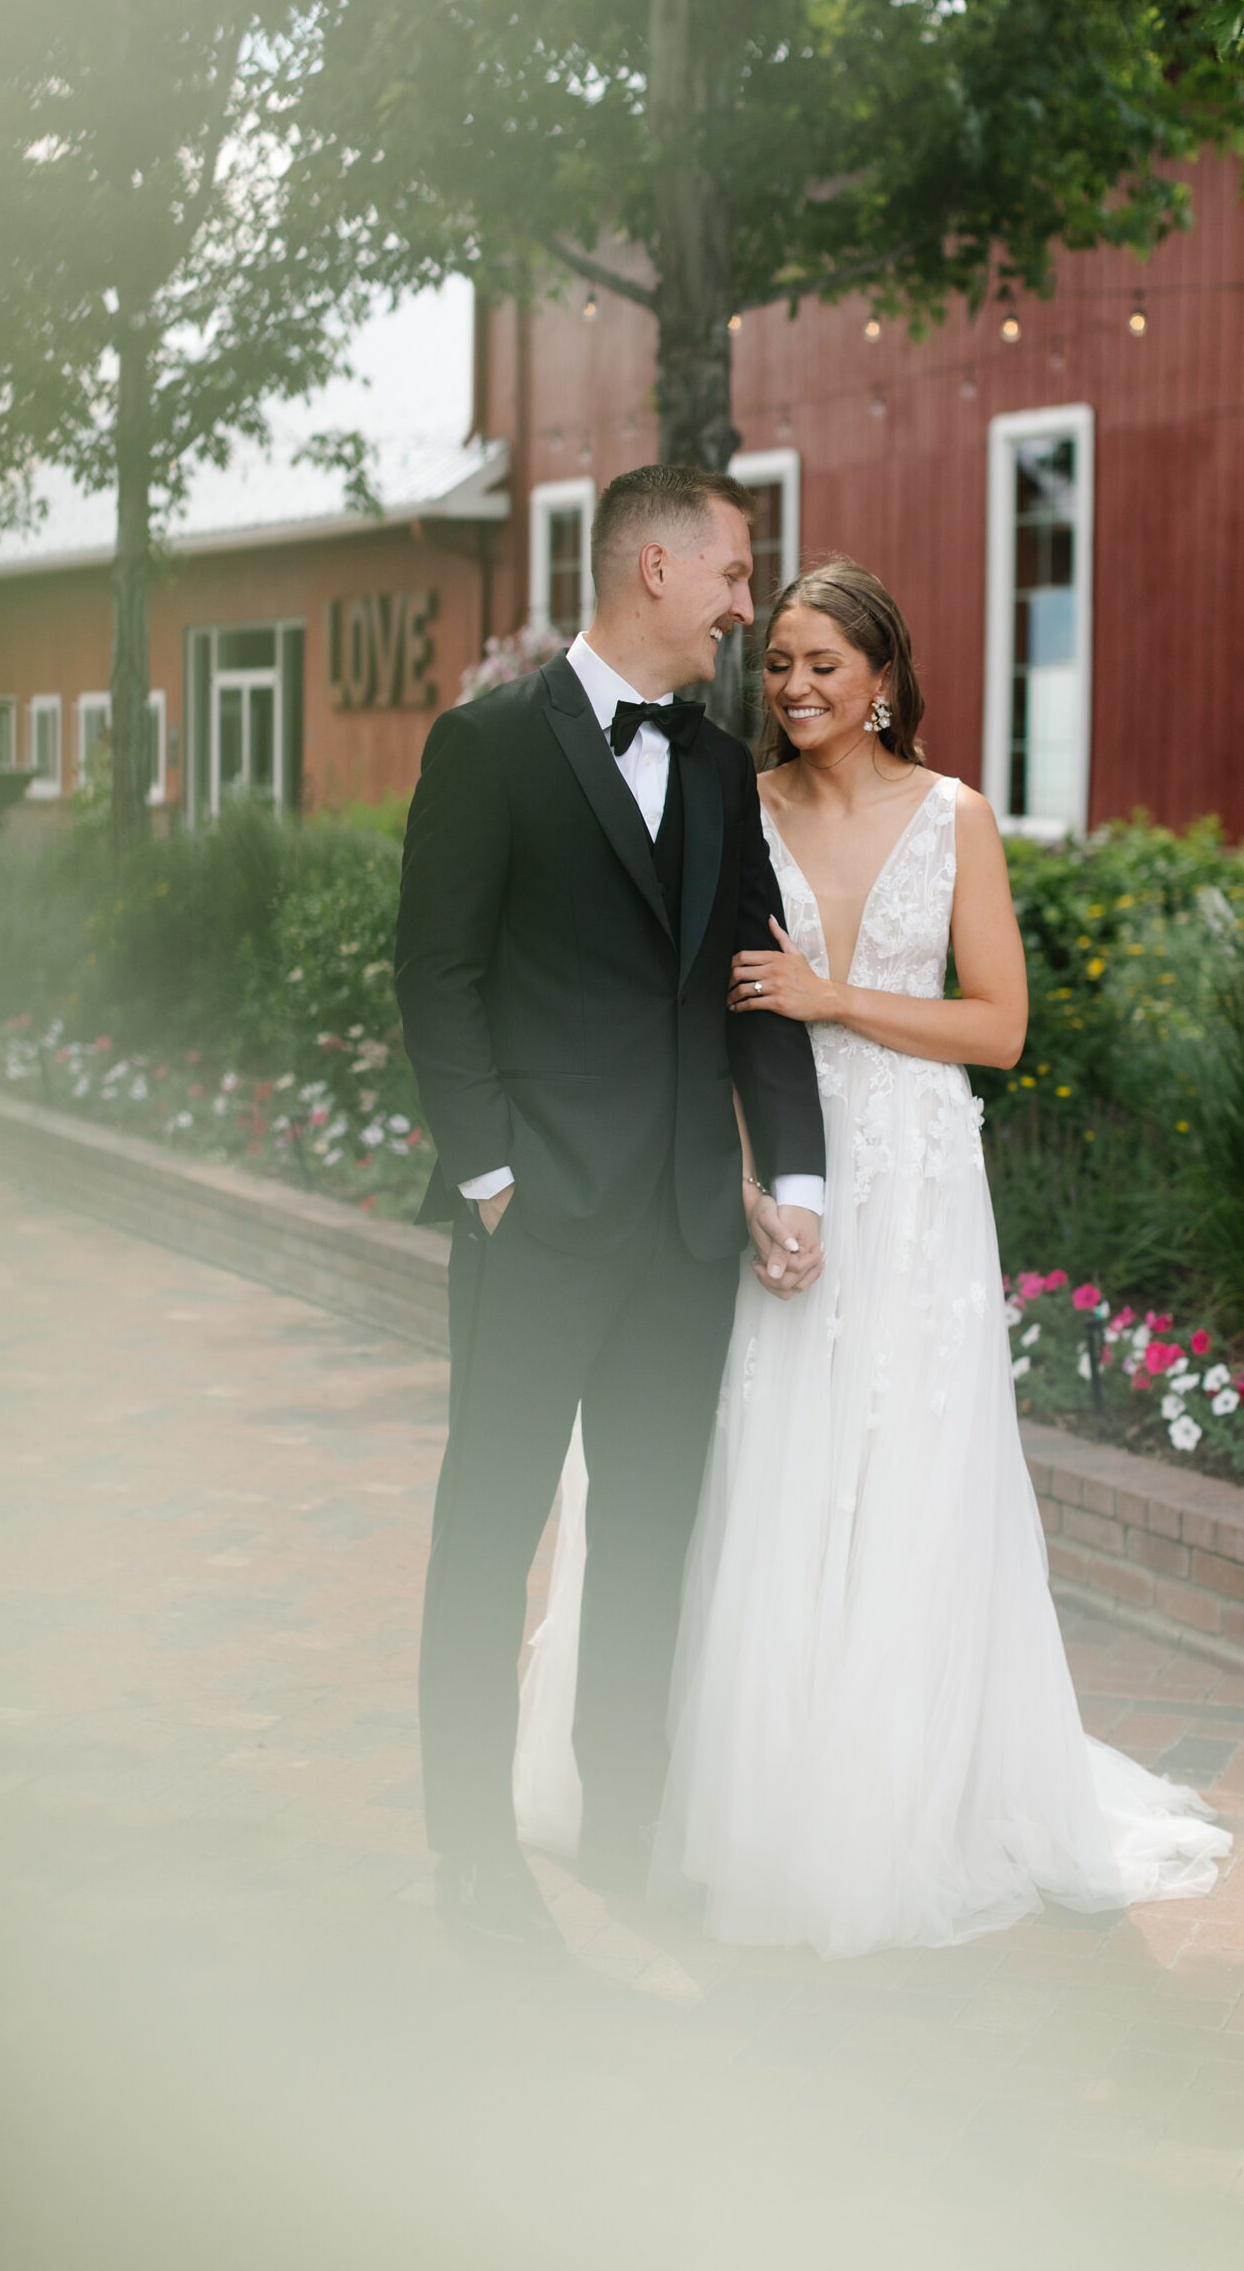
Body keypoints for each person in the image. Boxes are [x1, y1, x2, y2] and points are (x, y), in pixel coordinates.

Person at [515, 556, 1231, 1956]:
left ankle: (892, 1796)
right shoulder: (733, 801)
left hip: (913, 1183)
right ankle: (730, 1794)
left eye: (821, 667)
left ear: (884, 680)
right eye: (775, 663)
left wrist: (835, 996)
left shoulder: (953, 817)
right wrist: (741, 1178)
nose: (790, 689)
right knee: (752, 1464)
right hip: (772, 1172)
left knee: (900, 1471)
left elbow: (1000, 1027)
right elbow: (695, 1019)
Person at [394, 464, 827, 1963]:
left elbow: (754, 981)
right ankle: (466, 1848)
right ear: (653, 567)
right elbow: (435, 973)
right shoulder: (490, 746)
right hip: (538, 1229)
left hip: (683, 1239)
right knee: (489, 1531)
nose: (742, 602)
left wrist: (796, 1175)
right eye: (730, 571)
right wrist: (491, 1176)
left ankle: (626, 1834)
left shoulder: (718, 770)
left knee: (648, 1541)